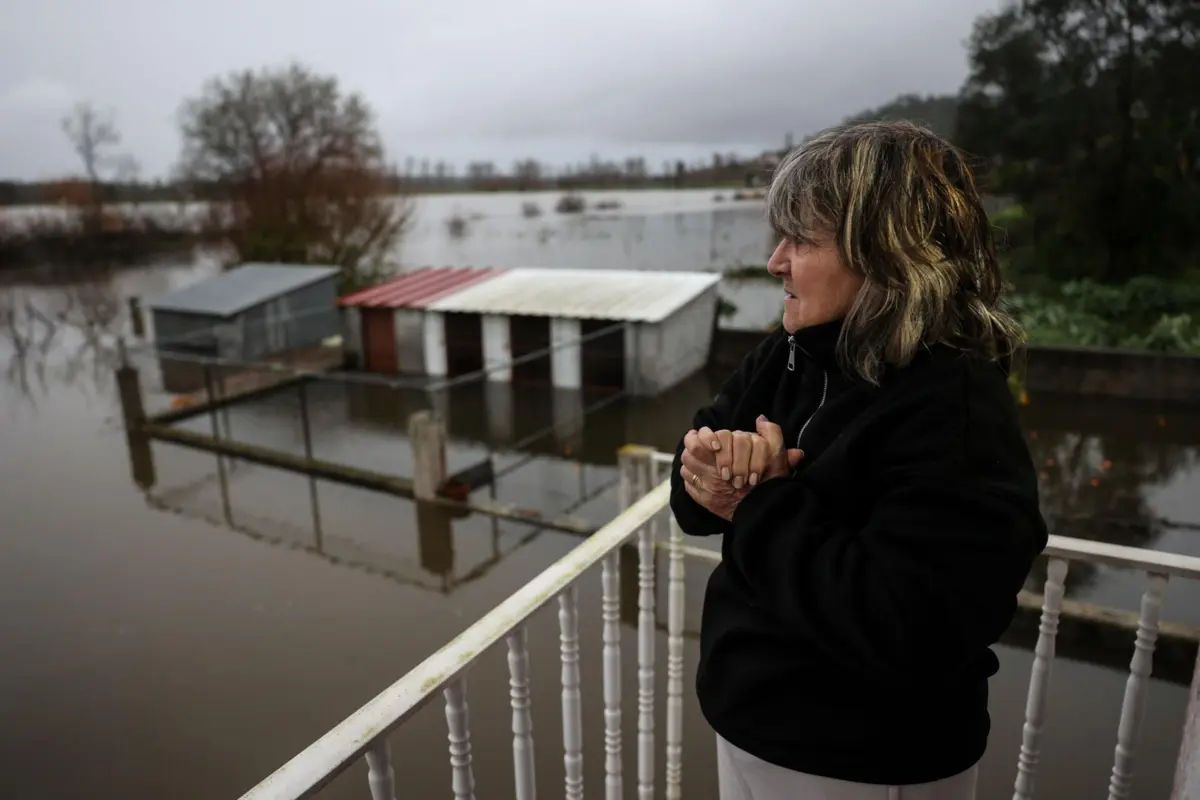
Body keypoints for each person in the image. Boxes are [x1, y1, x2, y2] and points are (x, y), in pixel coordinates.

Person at [670, 120, 1049, 800]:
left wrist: (760, 500)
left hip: (865, 763)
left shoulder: (954, 405)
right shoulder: (790, 352)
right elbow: (692, 490)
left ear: (884, 253)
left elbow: (910, 621)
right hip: (749, 725)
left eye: (801, 239)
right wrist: (708, 462)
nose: (775, 261)